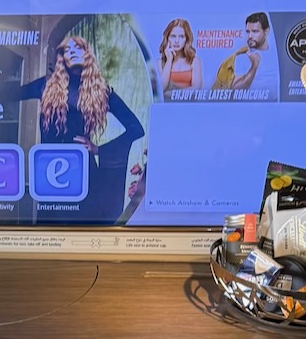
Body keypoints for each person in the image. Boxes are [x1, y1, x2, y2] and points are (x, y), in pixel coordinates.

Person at [15, 35, 144, 219]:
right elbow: (9, 94)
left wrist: (99, 150)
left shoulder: (102, 92)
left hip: (85, 175)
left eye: (78, 48)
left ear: (87, 54)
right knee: (51, 228)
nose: (73, 52)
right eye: (67, 50)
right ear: (62, 58)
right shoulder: (45, 86)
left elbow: (136, 128)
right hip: (50, 173)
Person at [213, 12, 280, 100]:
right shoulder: (242, 57)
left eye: (255, 31)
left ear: (266, 31)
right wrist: (254, 66)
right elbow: (236, 90)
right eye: (248, 32)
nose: (250, 36)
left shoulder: (277, 56)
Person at [158, 18, 203, 95]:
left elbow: (196, 89)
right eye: (173, 36)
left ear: (187, 39)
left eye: (181, 36)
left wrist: (171, 94)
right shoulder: (159, 63)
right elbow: (160, 89)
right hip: (167, 102)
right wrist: (169, 60)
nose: (177, 41)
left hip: (188, 102)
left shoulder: (195, 61)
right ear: (167, 38)